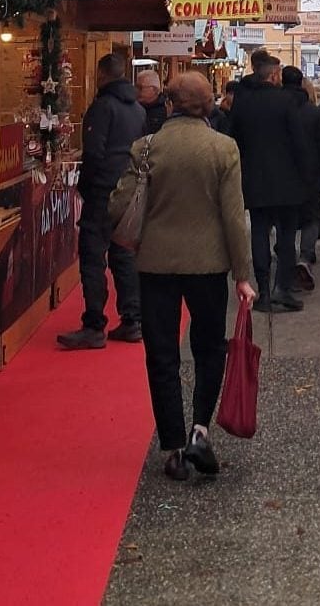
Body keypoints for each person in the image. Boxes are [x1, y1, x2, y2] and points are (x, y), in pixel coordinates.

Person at [110, 72, 255, 481]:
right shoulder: (223, 149)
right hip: (209, 265)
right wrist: (242, 274)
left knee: (162, 354)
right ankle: (200, 430)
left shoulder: (145, 147)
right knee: (209, 349)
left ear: (169, 103)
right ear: (208, 105)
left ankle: (172, 445)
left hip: (155, 263)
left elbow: (119, 203)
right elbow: (233, 217)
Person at [59, 53, 146, 349]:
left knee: (93, 257)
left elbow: (93, 154)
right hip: (127, 189)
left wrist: (86, 187)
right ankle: (132, 319)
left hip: (102, 191)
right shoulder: (137, 109)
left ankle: (94, 323)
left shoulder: (102, 108)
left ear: (102, 74)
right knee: (124, 255)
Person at [229, 50, 315, 312]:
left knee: (258, 232)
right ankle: (282, 288)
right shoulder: (285, 101)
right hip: (287, 179)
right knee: (287, 236)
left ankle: (263, 290)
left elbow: (234, 140)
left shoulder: (242, 103)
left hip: (254, 178)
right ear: (274, 74)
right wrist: (307, 178)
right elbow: (299, 142)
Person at [284, 66, 320, 290]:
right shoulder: (313, 111)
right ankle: (305, 256)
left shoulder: (278, 108)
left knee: (287, 217)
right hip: (310, 173)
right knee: (312, 217)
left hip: (283, 172)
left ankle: (288, 257)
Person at [137, 69, 168, 135]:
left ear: (154, 89)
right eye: (136, 87)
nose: (136, 91)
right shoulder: (133, 107)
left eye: (140, 88)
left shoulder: (166, 110)